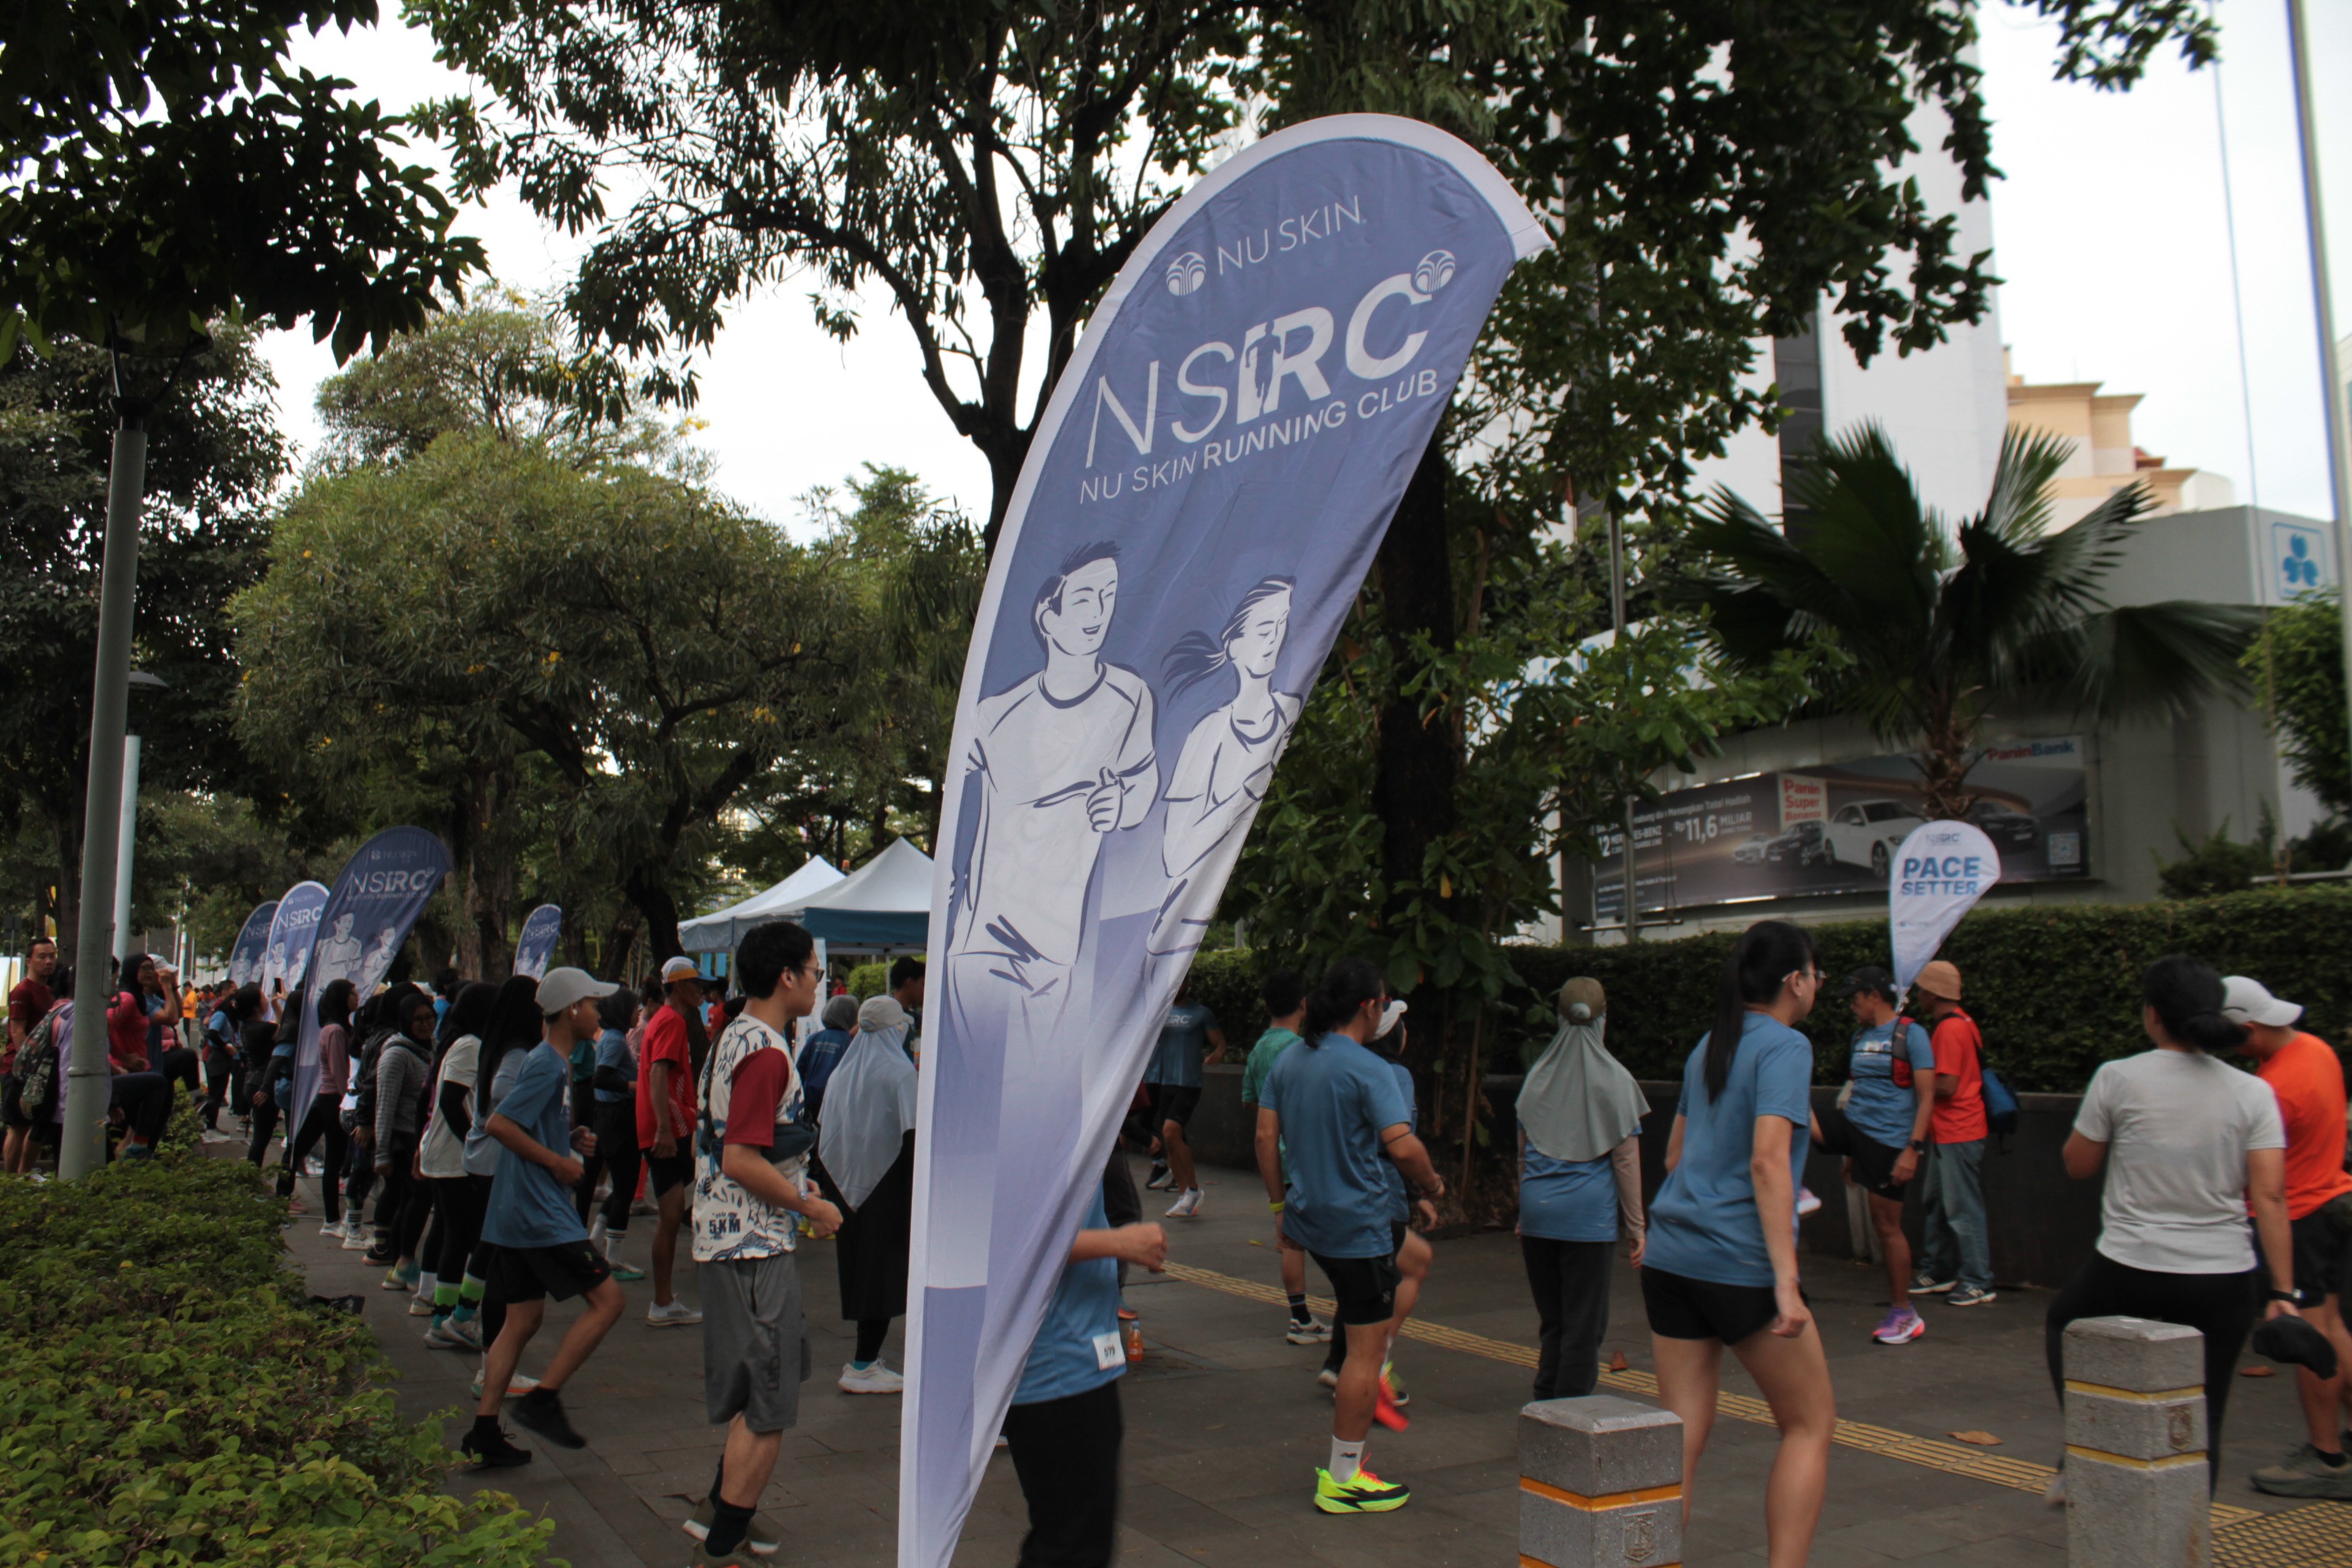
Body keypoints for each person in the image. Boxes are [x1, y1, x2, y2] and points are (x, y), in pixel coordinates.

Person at [2046, 954, 2297, 1494]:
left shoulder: (2118, 1077)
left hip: (2129, 1266)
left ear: (2153, 1014)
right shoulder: (2253, 1092)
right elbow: (2271, 1195)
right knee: (2208, 1412)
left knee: (2064, 1324)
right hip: (2223, 1275)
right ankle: (2191, 1531)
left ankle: (2082, 1448)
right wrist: (2282, 1292)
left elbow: (2078, 1165)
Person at [1643, 920, 1833, 1568]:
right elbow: (1767, 1160)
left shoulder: (1711, 1045)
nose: (1818, 984)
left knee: (1680, 1437)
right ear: (1795, 982)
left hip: (1672, 1255)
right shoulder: (1786, 1048)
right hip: (1738, 1261)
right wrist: (1787, 1282)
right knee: (1809, 1425)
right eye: (1816, 973)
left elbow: (1675, 1156)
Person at [1255, 957, 1446, 1515]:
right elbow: (1403, 1146)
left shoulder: (1290, 1060)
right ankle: (1344, 1478)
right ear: (1368, 1007)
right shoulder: (1369, 1068)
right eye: (1383, 1002)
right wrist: (1432, 1182)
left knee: (1366, 1319)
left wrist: (1280, 1207)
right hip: (1358, 1227)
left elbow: (1265, 1138)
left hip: (1309, 1218)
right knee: (1366, 1352)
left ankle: (1345, 1470)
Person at [682, 920, 843, 1567]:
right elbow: (742, 1159)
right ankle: (722, 1545)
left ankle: (719, 1515)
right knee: (768, 1403)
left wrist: (797, 1190)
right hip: (752, 1248)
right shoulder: (767, 1053)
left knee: (759, 1389)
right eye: (815, 973)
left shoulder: (734, 1035)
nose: (818, 984)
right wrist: (811, 1206)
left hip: (729, 1240)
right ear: (787, 976)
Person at [461, 966, 630, 1467]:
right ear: (572, 1009)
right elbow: (500, 1124)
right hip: (539, 1213)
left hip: (516, 1213)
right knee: (609, 1301)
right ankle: (543, 1400)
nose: (599, 1014)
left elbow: (524, 1122)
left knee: (522, 1319)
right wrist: (557, 1162)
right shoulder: (546, 1065)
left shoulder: (551, 1062)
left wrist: (566, 1137)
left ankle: (484, 1431)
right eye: (593, 1005)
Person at [2221, 977, 2352, 1498]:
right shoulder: (2317, 1050)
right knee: (2335, 1328)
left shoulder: (2273, 1089)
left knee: (2310, 1336)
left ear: (2249, 1029)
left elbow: (2256, 1173)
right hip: (2333, 1201)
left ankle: (2327, 1456)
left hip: (2298, 1218)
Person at [1000, 1171, 1169, 1568]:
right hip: (1058, 1362)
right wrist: (1121, 1242)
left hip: (1075, 1355)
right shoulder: (1028, 1131)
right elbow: (1014, 1237)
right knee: (1070, 1548)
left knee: (1074, 1540)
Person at [1517, 977, 1650, 1401]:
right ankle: (1570, 1414)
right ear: (1602, 1020)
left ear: (1560, 1019)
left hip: (1537, 1215)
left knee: (1554, 1320)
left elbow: (1523, 1154)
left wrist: (1523, 1212)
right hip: (1586, 1221)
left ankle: (1544, 1402)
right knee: (1584, 1324)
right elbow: (1626, 1162)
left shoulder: (1538, 1077)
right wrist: (1637, 1229)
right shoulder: (1616, 1081)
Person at [1810, 966, 1938, 1345]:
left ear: (1874, 996)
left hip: (1889, 1141)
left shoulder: (1912, 1034)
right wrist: (1850, 1156)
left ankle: (1904, 1313)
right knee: (1795, 1112)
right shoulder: (1860, 1036)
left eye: (1855, 999)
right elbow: (1857, 1090)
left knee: (1886, 1225)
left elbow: (1927, 1097)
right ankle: (1792, 1189)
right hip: (1855, 1129)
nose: (1852, 1006)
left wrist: (1912, 1150)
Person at [818, 994, 919, 1394]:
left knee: (863, 1269)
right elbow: (912, 1137)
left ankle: (865, 1359)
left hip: (845, 1184)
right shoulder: (901, 1074)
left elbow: (827, 1129)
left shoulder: (843, 1072)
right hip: (888, 1185)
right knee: (883, 1273)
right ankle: (863, 1364)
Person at [1239, 967, 1325, 1343]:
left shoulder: (1259, 1050)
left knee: (1291, 1241)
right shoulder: (1302, 1051)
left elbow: (1250, 1102)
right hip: (1306, 1156)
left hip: (1277, 1159)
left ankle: (1300, 1316)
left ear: (1266, 1006)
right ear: (1303, 1005)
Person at [1911, 960, 1994, 1307]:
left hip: (1957, 1129)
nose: (1919, 996)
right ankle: (1939, 1270)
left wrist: (1916, 1082)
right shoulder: (1965, 1023)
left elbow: (1947, 1085)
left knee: (1962, 1208)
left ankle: (1977, 1280)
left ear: (1933, 993)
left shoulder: (1948, 1030)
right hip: (1953, 1130)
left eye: (1922, 990)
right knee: (1937, 1201)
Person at [421, 981, 497, 1350]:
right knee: (462, 1237)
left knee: (458, 1235)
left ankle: (446, 1317)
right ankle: (448, 1320)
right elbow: (451, 1102)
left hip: (451, 1156)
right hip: (454, 1158)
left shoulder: (468, 1043)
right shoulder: (470, 1046)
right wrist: (473, 1148)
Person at [638, 954, 706, 1326]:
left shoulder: (663, 1019)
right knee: (669, 1215)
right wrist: (664, 1128)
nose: (701, 991)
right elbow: (658, 1072)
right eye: (696, 984)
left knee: (674, 1209)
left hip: (668, 1124)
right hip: (670, 1128)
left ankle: (664, 1300)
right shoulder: (671, 1021)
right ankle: (662, 1301)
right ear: (678, 986)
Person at [372, 984, 440, 1290]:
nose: (425, 1024)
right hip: (402, 1140)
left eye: (429, 1017)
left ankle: (401, 1264)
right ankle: (403, 1262)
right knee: (417, 1199)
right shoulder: (396, 1054)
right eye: (418, 1019)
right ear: (405, 1021)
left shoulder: (432, 1047)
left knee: (412, 1200)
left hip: (422, 1138)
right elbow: (384, 1105)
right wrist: (382, 1152)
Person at [280, 979, 356, 1236]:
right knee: (331, 1160)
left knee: (301, 1148)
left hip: (328, 1098)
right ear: (341, 999)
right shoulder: (335, 1031)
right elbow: (340, 1072)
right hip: (333, 1099)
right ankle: (331, 1220)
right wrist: (348, 1101)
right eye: (352, 993)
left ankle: (287, 1197)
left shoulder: (336, 1028)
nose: (357, 997)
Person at [1144, 976, 1224, 1217]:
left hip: (1188, 1083)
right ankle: (1185, 1196)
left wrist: (1218, 1054)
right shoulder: (1161, 1011)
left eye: (1182, 981)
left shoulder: (1201, 1013)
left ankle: (1194, 1190)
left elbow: (1220, 1043)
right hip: (1165, 1081)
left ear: (1188, 983)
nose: (1178, 986)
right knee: (1171, 1139)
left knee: (1170, 1132)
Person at [581, 990, 644, 1280]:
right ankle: (614, 1259)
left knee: (621, 1187)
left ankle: (596, 1240)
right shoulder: (616, 1040)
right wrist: (635, 1086)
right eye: (634, 1008)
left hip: (607, 1116)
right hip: (618, 1118)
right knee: (625, 1188)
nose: (638, 1013)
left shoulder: (611, 1037)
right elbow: (601, 1078)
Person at [3, 938, 59, 1173]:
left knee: (37, 1125)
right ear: (29, 961)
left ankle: (24, 1176)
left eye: (52, 956)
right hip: (18, 1070)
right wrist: (30, 1070)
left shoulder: (48, 991)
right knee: (18, 1127)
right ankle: (10, 1181)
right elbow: (17, 1032)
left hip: (41, 1073)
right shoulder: (22, 991)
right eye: (42, 957)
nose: (48, 961)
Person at [797, 994, 858, 1120]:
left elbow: (800, 1069)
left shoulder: (815, 1038)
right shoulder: (849, 1042)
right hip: (834, 1101)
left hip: (810, 1099)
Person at [888, 956, 925, 1062]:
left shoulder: (914, 1016)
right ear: (909, 982)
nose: (924, 990)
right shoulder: (885, 1012)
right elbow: (855, 1032)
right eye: (922, 984)